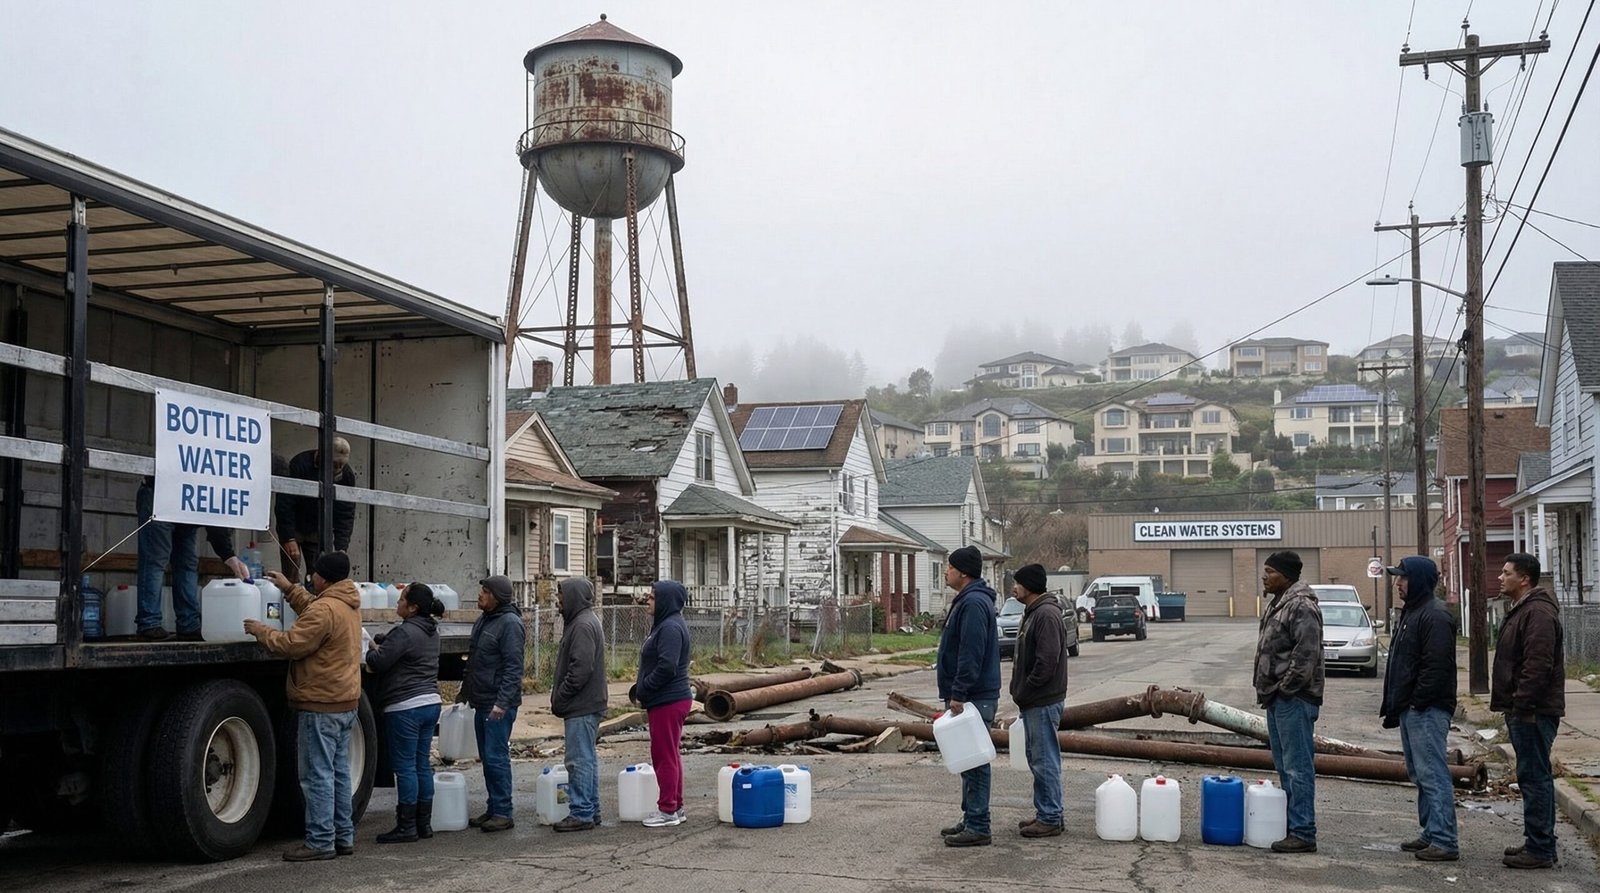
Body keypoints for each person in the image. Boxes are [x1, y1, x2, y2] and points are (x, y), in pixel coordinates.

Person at [243, 552, 362, 862]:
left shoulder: (325, 609)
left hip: (321, 704)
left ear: (323, 578)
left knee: (316, 775)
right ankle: (343, 836)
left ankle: (321, 842)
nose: (312, 577)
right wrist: (288, 587)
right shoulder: (346, 604)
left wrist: (261, 631)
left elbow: (294, 643)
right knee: (338, 773)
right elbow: (315, 611)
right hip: (345, 703)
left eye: (315, 574)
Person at [1379, 556, 1458, 862]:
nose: (1397, 583)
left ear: (1420, 580)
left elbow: (1435, 667)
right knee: (1420, 774)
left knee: (1433, 773)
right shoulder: (1413, 612)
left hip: (1427, 709)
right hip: (1413, 709)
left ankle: (1444, 839)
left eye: (1403, 578)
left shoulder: (1435, 615)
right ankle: (1431, 832)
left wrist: (1417, 701)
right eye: (1397, 578)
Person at [1493, 552, 1565, 870]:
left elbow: (1538, 665)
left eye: (1507, 573)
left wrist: (1522, 704)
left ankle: (1541, 849)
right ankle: (1536, 841)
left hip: (1534, 711)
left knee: (1535, 778)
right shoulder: (1523, 609)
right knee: (1531, 776)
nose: (1500, 577)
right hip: (1525, 709)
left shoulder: (1537, 613)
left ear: (1524, 579)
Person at [1253, 550, 1323, 855]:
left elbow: (1305, 655)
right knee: (1285, 766)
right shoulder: (1278, 603)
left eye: (1270, 571)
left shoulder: (1301, 606)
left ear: (1286, 575)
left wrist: (1285, 689)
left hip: (1293, 700)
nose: (1264, 576)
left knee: (1298, 768)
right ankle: (1292, 826)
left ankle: (1303, 832)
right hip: (1277, 699)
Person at [364, 582, 444, 845]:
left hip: (405, 707)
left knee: (406, 768)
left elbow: (377, 662)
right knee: (422, 764)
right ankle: (424, 823)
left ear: (413, 607)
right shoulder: (431, 631)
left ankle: (406, 826)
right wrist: (387, 643)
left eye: (401, 600)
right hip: (430, 703)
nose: (397, 604)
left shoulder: (406, 632)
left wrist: (373, 649)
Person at [936, 545, 1002, 847]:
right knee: (966, 759)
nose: (946, 571)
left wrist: (959, 692)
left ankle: (979, 825)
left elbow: (970, 653)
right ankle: (971, 817)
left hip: (974, 696)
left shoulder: (974, 603)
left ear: (963, 572)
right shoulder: (967, 600)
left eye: (949, 567)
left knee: (974, 761)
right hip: (970, 694)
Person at [134, 475, 250, 641]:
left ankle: (188, 624)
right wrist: (228, 555)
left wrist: (229, 555)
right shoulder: (224, 475)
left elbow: (216, 515)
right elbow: (216, 517)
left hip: (188, 499)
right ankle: (149, 624)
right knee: (155, 560)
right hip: (160, 492)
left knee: (187, 563)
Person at [1008, 563, 1068, 839]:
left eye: (1017, 583)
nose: (1013, 587)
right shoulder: (1034, 612)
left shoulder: (1045, 614)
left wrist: (1027, 689)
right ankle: (1046, 811)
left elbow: (1047, 662)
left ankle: (1050, 817)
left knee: (1044, 760)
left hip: (1042, 700)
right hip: (1034, 701)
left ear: (1029, 585)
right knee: (1038, 758)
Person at [462, 575, 525, 833]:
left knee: (497, 757)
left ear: (497, 597)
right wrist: (465, 692)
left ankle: (503, 811)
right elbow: (475, 659)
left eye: (485, 592)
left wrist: (502, 702)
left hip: (498, 704)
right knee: (487, 758)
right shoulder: (484, 621)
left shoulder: (510, 624)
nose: (480, 595)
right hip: (482, 700)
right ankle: (493, 807)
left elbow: (513, 668)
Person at [630, 580, 692, 828]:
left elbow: (667, 667)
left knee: (664, 755)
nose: (648, 599)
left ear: (665, 601)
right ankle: (675, 806)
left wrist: (644, 688)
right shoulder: (665, 625)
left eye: (653, 597)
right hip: (666, 699)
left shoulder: (670, 628)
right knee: (670, 754)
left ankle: (667, 809)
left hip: (669, 700)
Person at [551, 577, 607, 832]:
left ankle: (582, 812)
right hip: (586, 703)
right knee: (586, 759)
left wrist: (561, 696)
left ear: (573, 596)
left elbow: (581, 669)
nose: (558, 599)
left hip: (581, 704)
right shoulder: (581, 621)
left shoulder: (583, 625)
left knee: (578, 760)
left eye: (561, 595)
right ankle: (590, 809)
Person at [276, 438, 356, 582]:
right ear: (321, 454)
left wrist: (341, 548)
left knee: (320, 576)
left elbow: (345, 514)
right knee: (291, 575)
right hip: (295, 525)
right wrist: (288, 537)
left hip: (317, 530)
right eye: (334, 464)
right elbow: (285, 503)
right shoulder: (299, 464)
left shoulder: (346, 475)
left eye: (341, 465)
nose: (337, 468)